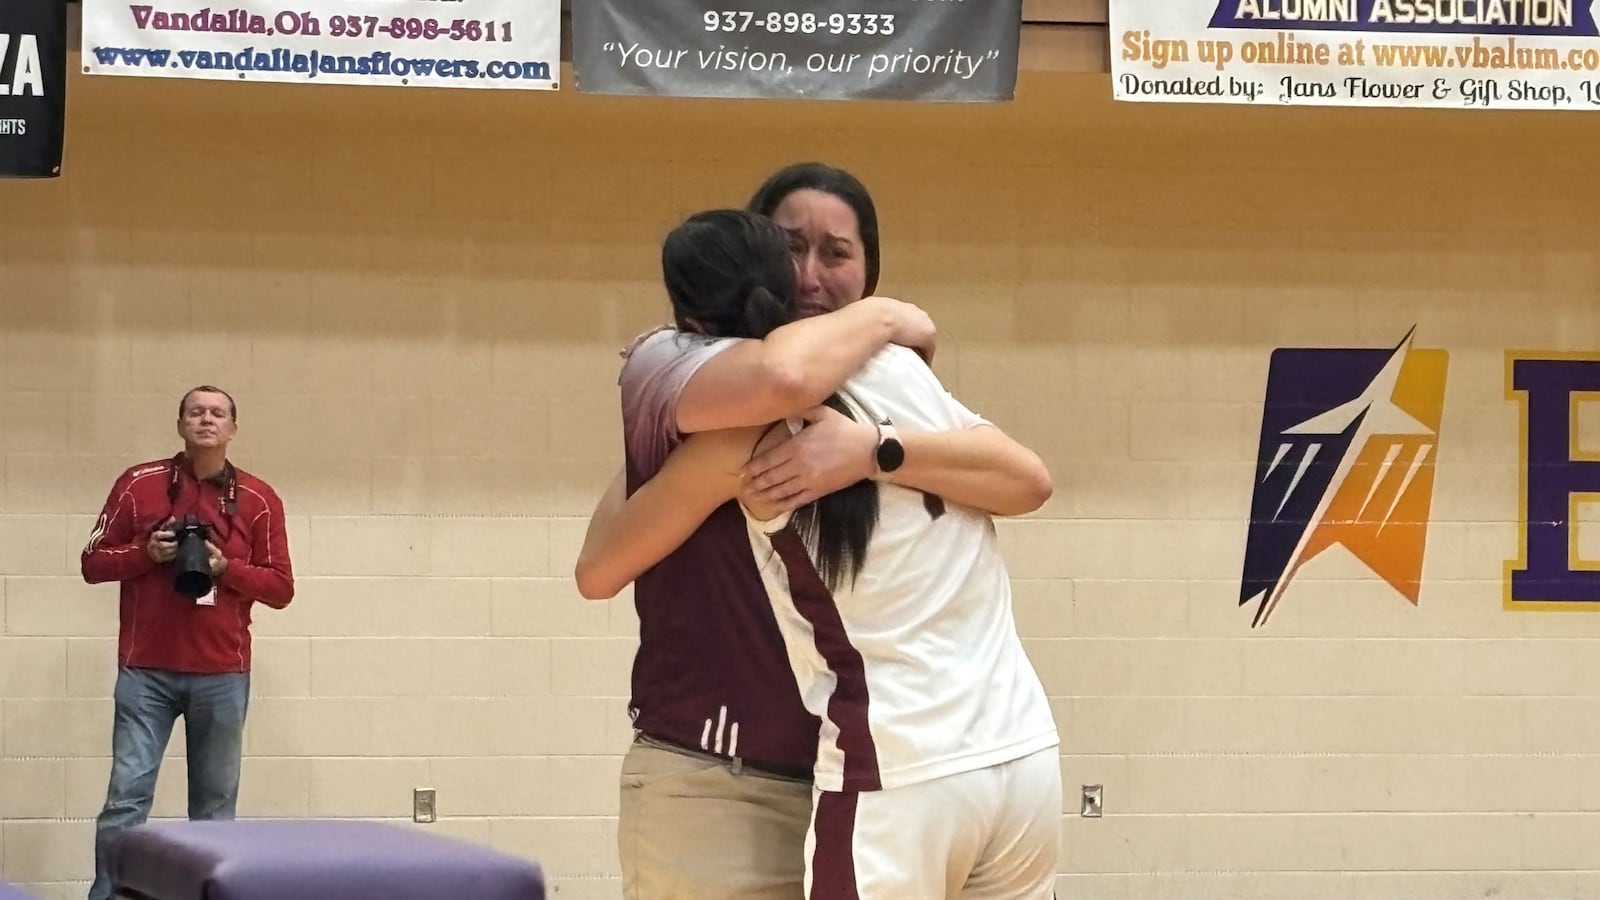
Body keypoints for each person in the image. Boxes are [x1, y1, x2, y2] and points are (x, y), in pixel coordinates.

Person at [579, 162, 1053, 900]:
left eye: (836, 254)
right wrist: (891, 316)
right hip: (728, 775)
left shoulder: (889, 376)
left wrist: (878, 451)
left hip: (868, 764)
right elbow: (600, 570)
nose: (809, 274)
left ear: (868, 271)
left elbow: (1027, 480)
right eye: (791, 248)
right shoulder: (679, 361)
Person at [80, 385, 295, 900]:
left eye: (218, 413)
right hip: (145, 670)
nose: (206, 420)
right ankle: (110, 896)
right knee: (126, 800)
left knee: (215, 809)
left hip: (222, 672)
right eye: (195, 412)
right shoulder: (139, 484)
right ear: (180, 424)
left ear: (233, 428)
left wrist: (228, 568)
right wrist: (145, 552)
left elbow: (282, 588)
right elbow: (92, 563)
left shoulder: (260, 499)